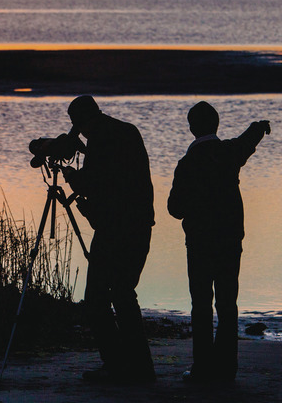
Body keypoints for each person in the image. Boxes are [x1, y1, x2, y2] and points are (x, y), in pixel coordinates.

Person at [167, 101, 270, 384]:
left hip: (199, 242)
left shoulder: (187, 164)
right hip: (229, 240)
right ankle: (226, 369)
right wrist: (259, 127)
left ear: (191, 128)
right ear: (217, 124)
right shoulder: (228, 153)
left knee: (201, 304)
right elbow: (247, 142)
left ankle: (203, 368)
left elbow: (174, 208)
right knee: (227, 303)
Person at [61, 95, 156, 384]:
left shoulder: (101, 140)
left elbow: (94, 183)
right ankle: (139, 367)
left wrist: (71, 177)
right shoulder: (126, 131)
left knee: (97, 299)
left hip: (115, 229)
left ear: (81, 123)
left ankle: (117, 365)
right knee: (125, 293)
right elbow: (115, 180)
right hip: (139, 225)